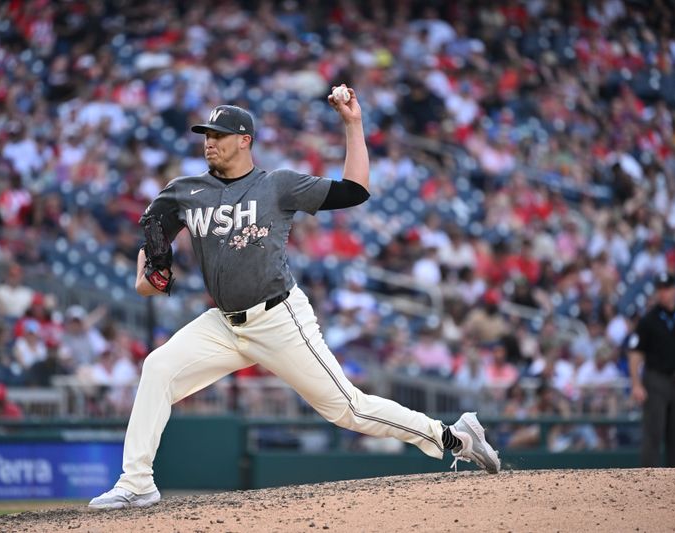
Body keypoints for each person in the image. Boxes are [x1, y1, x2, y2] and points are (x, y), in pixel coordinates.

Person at [89, 87, 500, 510]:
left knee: (349, 410)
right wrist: (148, 273)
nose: (208, 141)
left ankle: (455, 436)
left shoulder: (277, 185)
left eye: (218, 134)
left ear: (245, 140)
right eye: (205, 134)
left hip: (279, 317)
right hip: (223, 323)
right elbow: (152, 252)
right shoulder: (184, 191)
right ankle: (137, 482)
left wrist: (352, 124)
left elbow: (354, 190)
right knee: (157, 368)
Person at [628, 272, 675, 467]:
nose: (663, 293)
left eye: (666, 289)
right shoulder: (648, 320)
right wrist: (636, 383)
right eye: (660, 289)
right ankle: (648, 481)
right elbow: (635, 353)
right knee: (653, 432)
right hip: (655, 380)